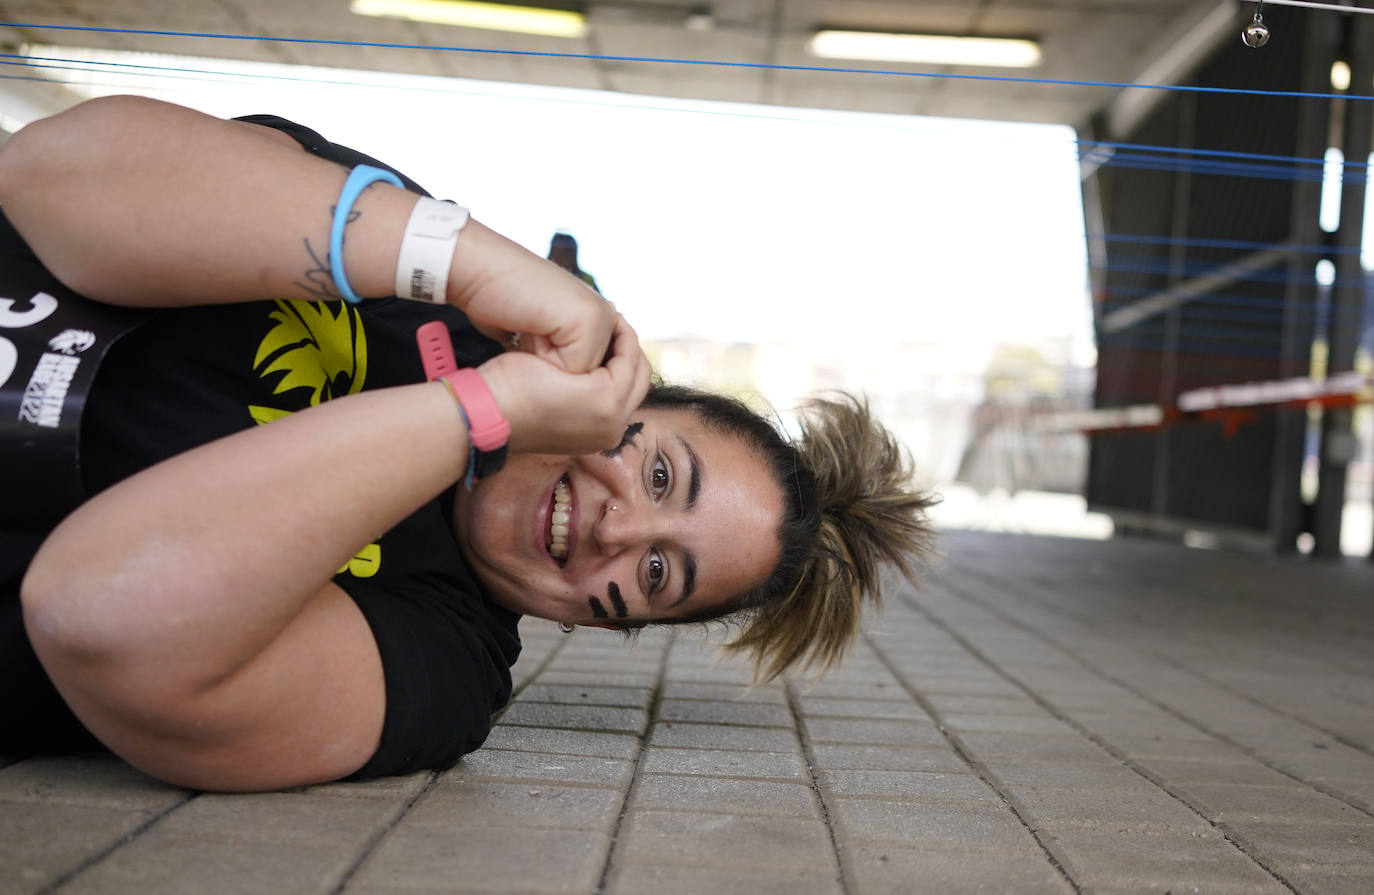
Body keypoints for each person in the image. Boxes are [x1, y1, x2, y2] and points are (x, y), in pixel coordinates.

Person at [0, 96, 936, 792]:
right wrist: (468, 260)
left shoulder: (440, 670)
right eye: (658, 472)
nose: (619, 530)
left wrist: (476, 413)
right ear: (621, 390)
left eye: (656, 574)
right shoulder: (438, 285)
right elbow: (47, 178)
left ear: (598, 622)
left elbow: (99, 610)